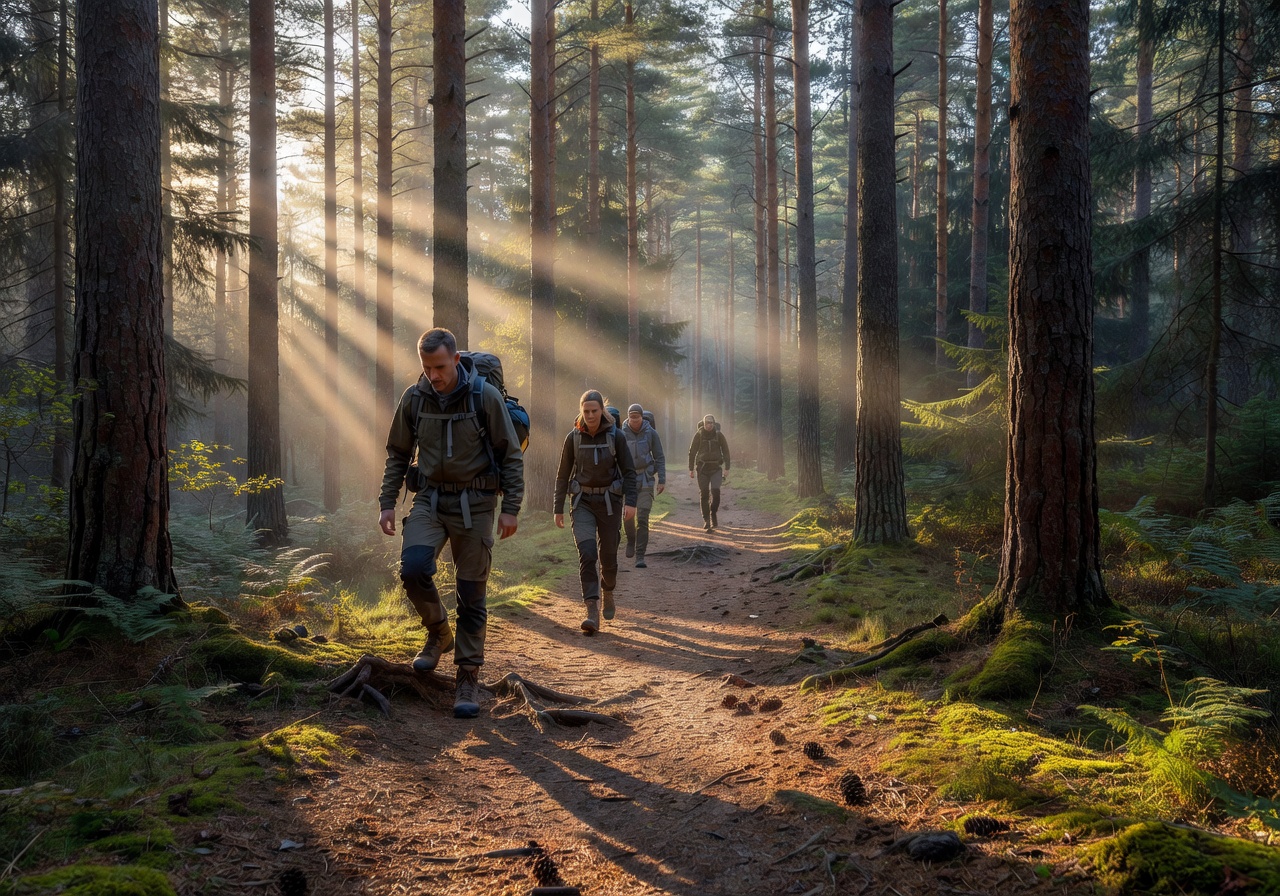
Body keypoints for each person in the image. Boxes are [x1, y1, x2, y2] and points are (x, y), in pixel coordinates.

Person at [378, 328, 524, 719]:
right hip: (428, 498)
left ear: (456, 360)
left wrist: (510, 507)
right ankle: (439, 632)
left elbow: (511, 455)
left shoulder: (484, 397)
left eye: (440, 367)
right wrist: (387, 503)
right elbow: (397, 454)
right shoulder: (414, 398)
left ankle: (467, 676)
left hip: (476, 504)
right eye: (427, 368)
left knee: (471, 594)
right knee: (413, 570)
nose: (434, 375)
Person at [554, 391, 637, 634]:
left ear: (602, 410)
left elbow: (629, 472)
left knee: (609, 556)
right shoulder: (573, 438)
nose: (590, 415)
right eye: (586, 411)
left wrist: (631, 502)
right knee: (588, 553)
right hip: (582, 503)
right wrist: (558, 507)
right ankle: (591, 610)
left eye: (594, 411)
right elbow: (562, 475)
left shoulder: (617, 436)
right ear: (581, 410)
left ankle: (608, 590)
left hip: (610, 503)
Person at [619, 403, 666, 568]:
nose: (634, 420)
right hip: (627, 479)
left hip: (646, 477)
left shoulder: (651, 433)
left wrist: (662, 480)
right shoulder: (621, 433)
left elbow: (659, 456)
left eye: (637, 417)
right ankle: (631, 540)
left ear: (642, 417)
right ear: (628, 417)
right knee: (628, 515)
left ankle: (640, 556)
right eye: (631, 417)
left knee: (643, 517)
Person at [688, 414, 730, 531]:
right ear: (704, 423)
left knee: (716, 492)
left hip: (716, 468)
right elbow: (692, 452)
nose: (709, 425)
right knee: (704, 493)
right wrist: (691, 468)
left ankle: (713, 513)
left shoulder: (719, 435)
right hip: (702, 469)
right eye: (707, 423)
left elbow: (726, 451)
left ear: (714, 423)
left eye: (711, 423)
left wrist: (727, 468)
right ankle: (706, 520)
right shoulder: (699, 435)